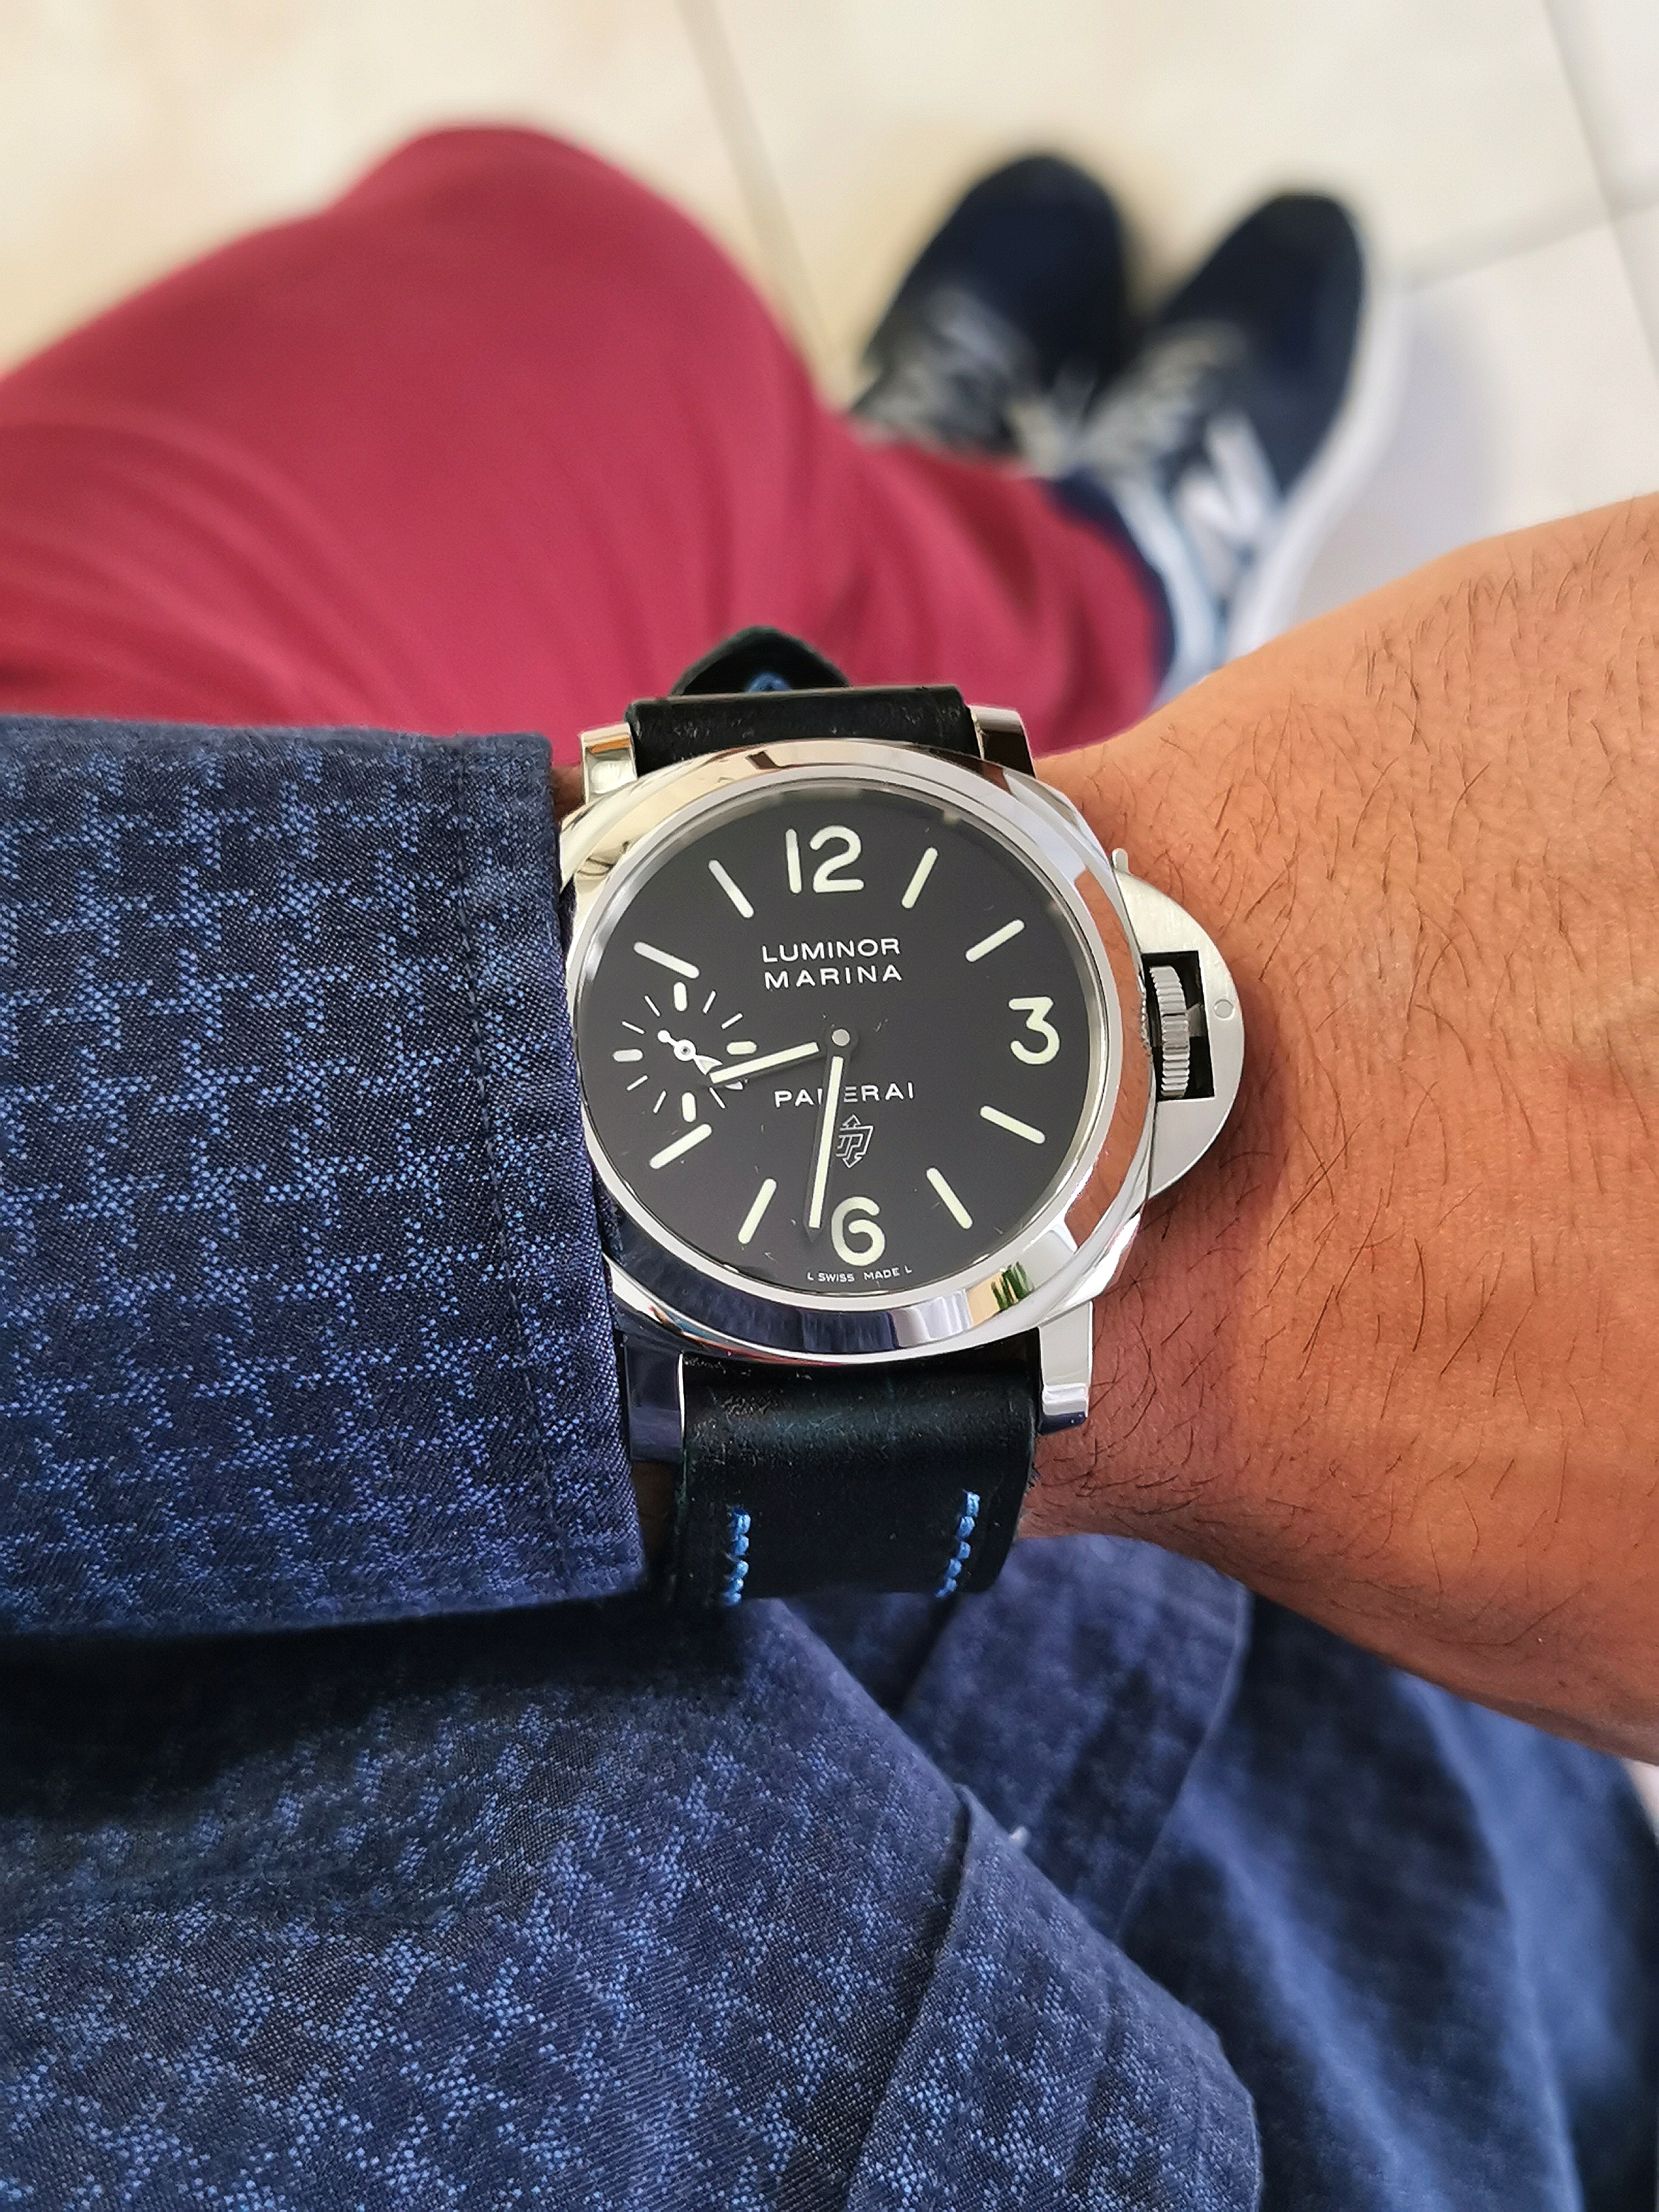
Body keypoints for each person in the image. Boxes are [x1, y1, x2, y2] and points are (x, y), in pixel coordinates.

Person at [0, 126, 1653, 2209]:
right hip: (1304, 1947)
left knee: (566, 272)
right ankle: (1090, 579)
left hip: (155, 1013)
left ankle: (992, 565)